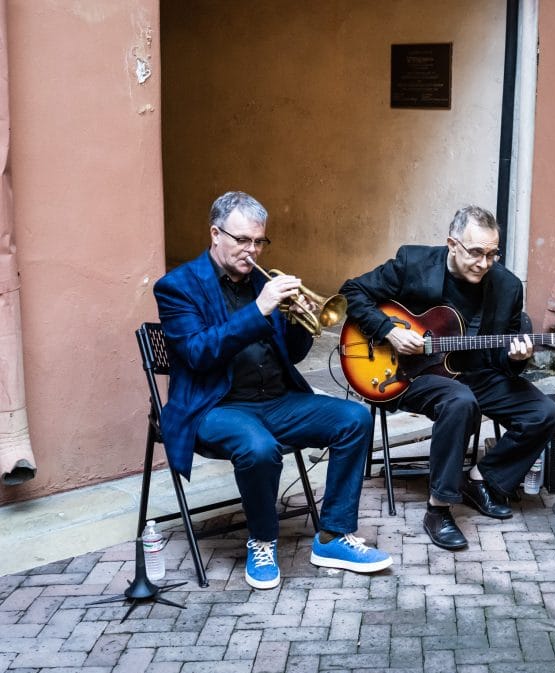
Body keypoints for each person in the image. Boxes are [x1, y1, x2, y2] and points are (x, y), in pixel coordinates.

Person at [154, 191, 392, 588]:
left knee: (354, 417)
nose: (252, 251)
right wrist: (259, 310)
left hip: (276, 400)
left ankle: (333, 536)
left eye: (258, 241)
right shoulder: (178, 287)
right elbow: (197, 353)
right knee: (259, 447)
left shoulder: (264, 282)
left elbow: (293, 355)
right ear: (216, 234)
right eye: (242, 240)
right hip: (215, 406)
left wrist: (301, 321)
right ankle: (262, 541)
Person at [341, 205, 555, 551]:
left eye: (492, 253)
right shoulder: (413, 263)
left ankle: (481, 479)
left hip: (476, 374)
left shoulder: (506, 287)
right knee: (459, 400)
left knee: (546, 414)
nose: (485, 263)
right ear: (452, 244)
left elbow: (502, 360)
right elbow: (353, 292)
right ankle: (439, 508)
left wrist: (518, 358)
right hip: (410, 375)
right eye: (476, 252)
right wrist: (389, 332)